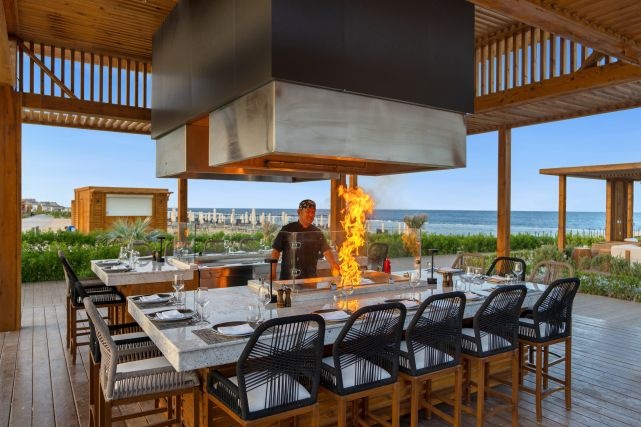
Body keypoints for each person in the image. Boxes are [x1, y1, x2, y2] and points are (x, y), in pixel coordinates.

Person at [270, 199, 339, 280]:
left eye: (313, 212)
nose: (311, 215)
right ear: (299, 212)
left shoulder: (317, 232)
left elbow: (326, 250)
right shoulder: (287, 229)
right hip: (289, 279)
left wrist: (333, 263)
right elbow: (276, 251)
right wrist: (272, 272)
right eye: (308, 211)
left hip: (310, 279)